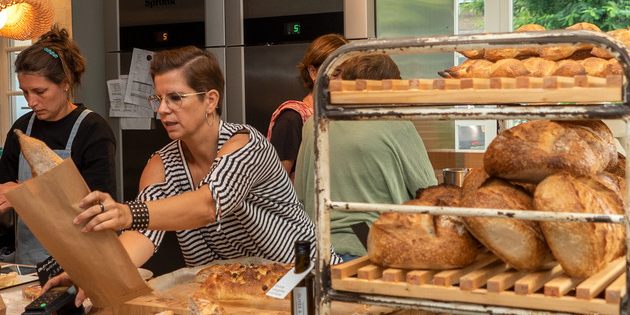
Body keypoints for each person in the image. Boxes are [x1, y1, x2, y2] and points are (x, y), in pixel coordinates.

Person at [68, 46, 317, 272]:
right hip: (231, 288)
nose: (163, 109)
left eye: (175, 98)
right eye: (159, 99)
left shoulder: (246, 143)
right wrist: (92, 273)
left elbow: (208, 205)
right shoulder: (162, 163)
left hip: (301, 276)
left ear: (210, 100)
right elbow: (143, 233)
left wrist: (126, 212)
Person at [0, 27, 117, 266]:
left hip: (83, 262)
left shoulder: (92, 129)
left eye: (40, 92)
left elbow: (98, 205)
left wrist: (24, 193)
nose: (31, 102)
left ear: (65, 83)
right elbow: (3, 191)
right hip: (29, 264)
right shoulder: (22, 128)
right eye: (25, 92)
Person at [293, 52, 438, 258]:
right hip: (369, 246)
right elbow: (428, 192)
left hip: (316, 248)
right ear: (391, 88)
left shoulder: (313, 124)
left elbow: (299, 192)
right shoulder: (396, 125)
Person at [267, 33, 348, 177]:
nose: (343, 82)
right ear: (313, 72)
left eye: (347, 75)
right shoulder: (292, 119)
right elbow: (276, 184)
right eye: (335, 74)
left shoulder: (342, 116)